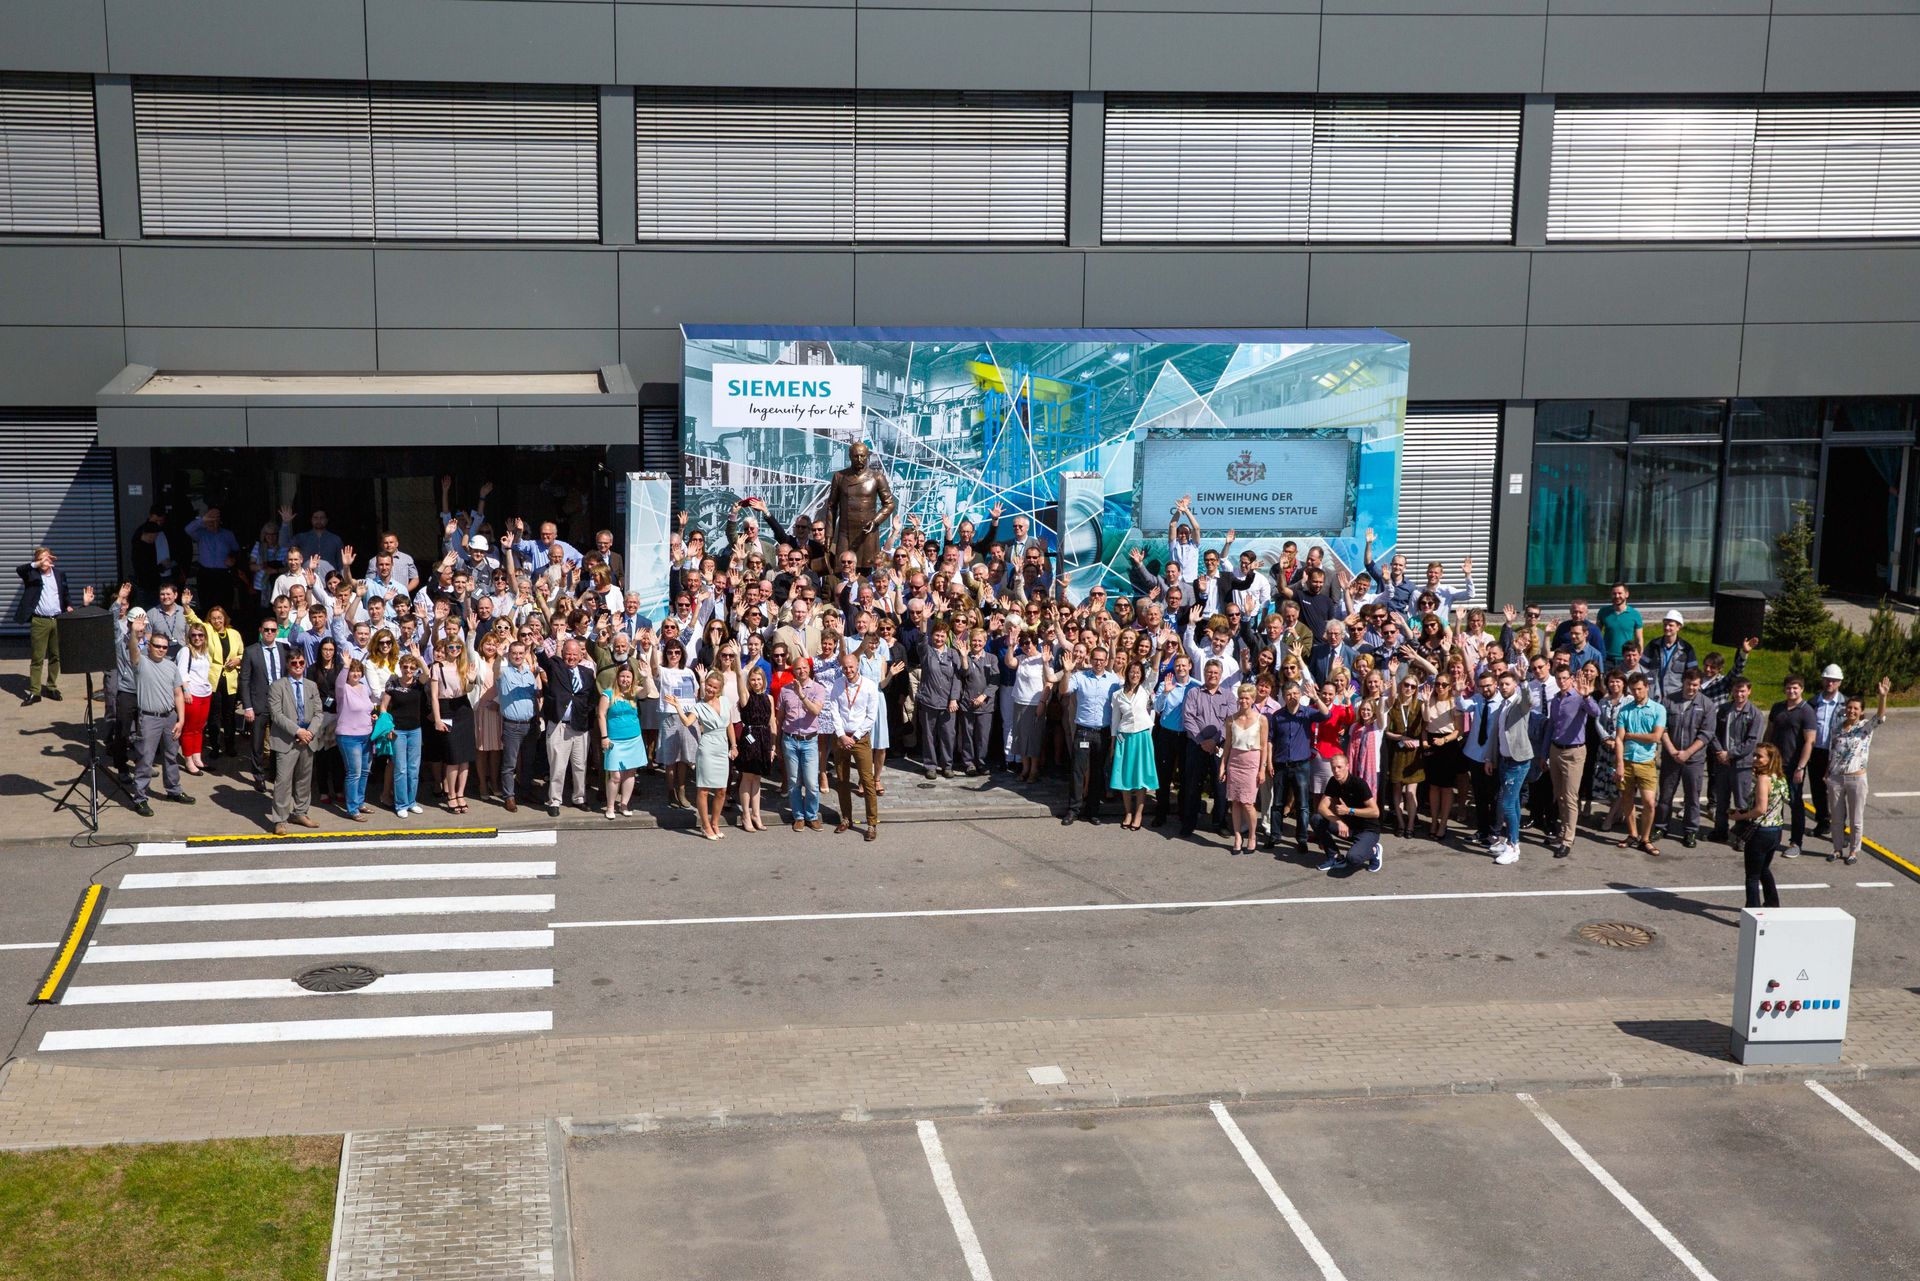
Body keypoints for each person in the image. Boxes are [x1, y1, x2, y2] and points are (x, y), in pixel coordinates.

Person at [128, 631, 195, 817]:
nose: (161, 650)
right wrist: (134, 633)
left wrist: (181, 720)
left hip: (170, 717)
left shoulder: (171, 666)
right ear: (149, 646)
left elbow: (178, 694)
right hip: (149, 718)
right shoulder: (141, 662)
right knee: (145, 758)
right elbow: (133, 650)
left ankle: (174, 790)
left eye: (164, 647)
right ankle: (140, 798)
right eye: (157, 646)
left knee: (171, 755)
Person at [1826, 678, 1891, 866]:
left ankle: (1853, 850)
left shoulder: (1865, 728)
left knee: (1856, 819)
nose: (1851, 711)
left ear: (1861, 711)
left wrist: (1882, 697)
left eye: (1856, 708)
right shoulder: (1837, 729)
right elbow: (1833, 752)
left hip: (1856, 778)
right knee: (1836, 818)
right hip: (1836, 778)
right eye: (1849, 707)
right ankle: (1837, 848)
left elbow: (1880, 716)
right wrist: (1827, 773)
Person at [1544, 668, 1603, 858]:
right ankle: (1563, 832)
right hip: (1555, 750)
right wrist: (1544, 753)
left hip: (1574, 752)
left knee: (1570, 797)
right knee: (1559, 795)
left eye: (1565, 678)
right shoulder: (1555, 700)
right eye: (1559, 678)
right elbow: (1551, 726)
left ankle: (1568, 839)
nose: (1562, 681)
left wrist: (1586, 697)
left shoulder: (1579, 697)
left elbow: (1596, 712)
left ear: (1571, 679)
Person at [668, 671, 734, 840]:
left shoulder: (725, 701)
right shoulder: (698, 706)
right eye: (709, 685)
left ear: (720, 689)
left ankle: (715, 822)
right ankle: (705, 826)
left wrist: (734, 745)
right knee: (704, 789)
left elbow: (730, 725)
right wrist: (678, 707)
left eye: (714, 687)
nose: (710, 689)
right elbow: (687, 722)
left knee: (721, 790)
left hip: (722, 748)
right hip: (707, 749)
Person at [824, 649, 881, 841]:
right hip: (841, 738)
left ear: (858, 667)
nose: (848, 670)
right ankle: (846, 818)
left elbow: (871, 716)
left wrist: (854, 737)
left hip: (860, 739)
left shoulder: (869, 686)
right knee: (841, 780)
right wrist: (841, 735)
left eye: (851, 667)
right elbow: (834, 710)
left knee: (867, 780)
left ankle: (871, 824)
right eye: (845, 667)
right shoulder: (838, 685)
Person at [1062, 645, 1121, 825]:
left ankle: (1093, 811)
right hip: (1084, 732)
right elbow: (1064, 691)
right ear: (1090, 658)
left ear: (1106, 661)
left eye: (1102, 660)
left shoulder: (1113, 680)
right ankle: (1074, 810)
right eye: (1095, 659)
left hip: (1102, 733)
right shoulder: (1080, 677)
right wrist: (1066, 672)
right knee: (1078, 771)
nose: (1098, 663)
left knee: (1097, 773)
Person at [17, 546, 83, 705]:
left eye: (47, 557)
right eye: (41, 558)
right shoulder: (32, 574)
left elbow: (65, 593)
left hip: (57, 619)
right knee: (37, 657)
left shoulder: (59, 574)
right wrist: (36, 564)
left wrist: (69, 605)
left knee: (56, 655)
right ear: (37, 561)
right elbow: (19, 570)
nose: (45, 560)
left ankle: (52, 687)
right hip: (40, 621)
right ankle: (35, 691)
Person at [540, 638, 599, 818]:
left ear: (581, 655)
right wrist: (537, 647)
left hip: (580, 726)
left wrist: (583, 713)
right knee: (557, 766)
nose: (571, 657)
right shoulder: (556, 668)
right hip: (559, 725)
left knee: (580, 765)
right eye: (568, 654)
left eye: (575, 654)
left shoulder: (587, 673)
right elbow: (543, 660)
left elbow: (592, 698)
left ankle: (579, 798)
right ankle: (555, 801)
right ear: (562, 654)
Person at [1267, 679, 1326, 856]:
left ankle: (1301, 839)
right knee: (1277, 803)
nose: (1292, 697)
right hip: (1280, 765)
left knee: (1302, 805)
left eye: (1295, 693)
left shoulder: (1307, 713)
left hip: (1301, 765)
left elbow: (1326, 715)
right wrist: (1269, 762)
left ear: (1300, 695)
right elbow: (1270, 741)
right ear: (1283, 697)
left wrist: (1316, 697)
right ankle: (1275, 835)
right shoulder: (1277, 716)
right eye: (1288, 694)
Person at [1656, 668, 1713, 849]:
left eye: (1695, 685)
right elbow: (1661, 728)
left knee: (1692, 796)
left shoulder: (1707, 704)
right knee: (1665, 794)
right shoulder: (1669, 701)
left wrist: (1687, 752)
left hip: (1694, 759)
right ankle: (1660, 826)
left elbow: (1706, 734)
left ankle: (1690, 830)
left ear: (1699, 685)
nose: (1691, 688)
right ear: (1683, 682)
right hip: (1671, 757)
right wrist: (1672, 750)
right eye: (1689, 684)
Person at [265, 650, 322, 834]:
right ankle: (280, 819)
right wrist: (298, 731)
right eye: (294, 663)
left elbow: (319, 713)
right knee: (283, 781)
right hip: (287, 739)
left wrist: (310, 732)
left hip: (308, 739)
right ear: (288, 665)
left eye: (301, 663)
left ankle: (300, 812)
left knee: (304, 779)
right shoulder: (277, 686)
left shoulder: (312, 686)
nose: (298, 666)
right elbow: (276, 715)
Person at [1730, 744, 1791, 909]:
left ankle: (1753, 913)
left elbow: (1760, 809)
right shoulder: (1779, 777)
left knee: (1752, 876)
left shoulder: (1764, 779)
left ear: (1770, 760)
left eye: (1759, 756)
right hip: (1776, 830)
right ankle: (1772, 903)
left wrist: (1740, 816)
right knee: (1764, 869)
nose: (1755, 759)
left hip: (1760, 832)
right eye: (1755, 755)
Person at [1766, 675, 1818, 857]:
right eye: (1789, 688)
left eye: (1795, 688)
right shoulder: (1777, 708)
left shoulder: (1807, 712)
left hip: (1793, 766)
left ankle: (1796, 842)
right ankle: (1773, 838)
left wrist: (1801, 767)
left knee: (1795, 804)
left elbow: (1809, 742)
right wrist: (1764, 757)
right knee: (1773, 802)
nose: (1792, 691)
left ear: (1801, 689)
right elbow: (1769, 733)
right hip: (1775, 766)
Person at [1488, 667, 1535, 866]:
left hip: (1519, 761)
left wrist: (1524, 681)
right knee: (1512, 802)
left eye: (1507, 684)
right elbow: (1496, 735)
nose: (1503, 687)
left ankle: (1514, 847)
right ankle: (1509, 840)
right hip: (1505, 760)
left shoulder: (1519, 703)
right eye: (1501, 684)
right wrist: (1489, 758)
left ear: (1514, 685)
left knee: (1507, 803)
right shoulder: (1502, 705)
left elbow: (1529, 701)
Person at [1709, 676, 1764, 844]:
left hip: (1742, 765)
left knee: (1742, 802)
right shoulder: (1724, 709)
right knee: (1721, 801)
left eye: (1742, 691)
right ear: (1732, 691)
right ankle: (1720, 831)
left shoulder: (1755, 714)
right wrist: (1719, 752)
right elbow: (1714, 733)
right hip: (1722, 763)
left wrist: (1730, 754)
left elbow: (1751, 742)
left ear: (1749, 691)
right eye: (1736, 690)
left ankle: (1742, 835)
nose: (1739, 694)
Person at [240, 617, 293, 791]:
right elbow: (245, 679)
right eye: (266, 630)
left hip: (280, 703)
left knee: (280, 740)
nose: (269, 633)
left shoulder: (284, 649)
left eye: (272, 630)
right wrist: (247, 706)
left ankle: (276, 774)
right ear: (260, 631)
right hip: (258, 703)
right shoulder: (251, 651)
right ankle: (258, 775)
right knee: (257, 742)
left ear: (277, 632)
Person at [778, 656, 828, 831]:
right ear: (793, 670)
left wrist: (801, 695)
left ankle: (812, 815)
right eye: (798, 669)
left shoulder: (818, 689)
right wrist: (777, 742)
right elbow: (780, 717)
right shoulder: (785, 690)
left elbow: (815, 710)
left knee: (812, 783)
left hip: (809, 741)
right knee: (794, 781)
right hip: (790, 740)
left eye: (804, 668)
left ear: (809, 669)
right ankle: (798, 816)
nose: (802, 671)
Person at [1108, 659, 1158, 830]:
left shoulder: (1145, 689)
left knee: (1141, 776)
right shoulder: (1117, 695)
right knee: (1125, 776)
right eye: (1132, 672)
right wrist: (1113, 743)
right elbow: (1115, 720)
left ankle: (1138, 813)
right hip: (1124, 737)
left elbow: (1155, 672)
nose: (1135, 675)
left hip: (1142, 736)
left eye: (1138, 672)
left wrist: (1159, 647)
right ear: (1127, 673)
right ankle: (1128, 812)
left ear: (1141, 675)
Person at [1220, 682, 1270, 855]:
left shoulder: (1261, 719)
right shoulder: (1231, 719)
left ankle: (1252, 836)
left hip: (1252, 762)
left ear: (1253, 699)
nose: (1243, 701)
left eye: (1247, 698)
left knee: (1248, 803)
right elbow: (1227, 745)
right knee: (1235, 801)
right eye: (1241, 697)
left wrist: (1262, 769)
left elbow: (1264, 746)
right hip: (1234, 761)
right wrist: (1222, 766)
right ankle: (1237, 836)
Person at [1312, 751, 1382, 873]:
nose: (1336, 771)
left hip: (1368, 830)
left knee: (1353, 859)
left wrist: (1349, 810)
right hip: (1348, 828)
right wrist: (1339, 821)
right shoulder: (1333, 781)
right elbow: (1322, 807)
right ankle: (1335, 857)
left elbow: (1375, 812)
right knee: (1316, 819)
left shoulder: (1359, 784)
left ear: (1347, 766)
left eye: (1339, 767)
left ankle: (1374, 851)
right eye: (1333, 767)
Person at [379, 654, 431, 817]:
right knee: (400, 768)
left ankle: (411, 802)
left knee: (414, 768)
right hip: (398, 731)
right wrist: (388, 727)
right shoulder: (393, 683)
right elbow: (383, 707)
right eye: (405, 667)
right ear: (400, 667)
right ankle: (400, 803)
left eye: (412, 667)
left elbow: (427, 674)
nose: (408, 670)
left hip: (415, 730)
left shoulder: (418, 684)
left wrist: (418, 658)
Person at [429, 639, 476, 814]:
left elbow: (469, 689)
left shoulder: (464, 665)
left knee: (465, 757)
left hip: (463, 708)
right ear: (446, 648)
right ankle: (451, 795)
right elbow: (434, 696)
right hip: (446, 709)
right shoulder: (437, 667)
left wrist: (471, 680)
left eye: (458, 647)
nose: (455, 650)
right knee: (452, 756)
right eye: (451, 647)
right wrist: (437, 719)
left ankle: (461, 794)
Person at [496, 640, 542, 814]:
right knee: (510, 764)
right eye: (514, 653)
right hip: (512, 726)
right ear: (509, 654)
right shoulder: (504, 672)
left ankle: (526, 792)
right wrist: (499, 658)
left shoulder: (529, 673)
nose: (517, 656)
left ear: (524, 654)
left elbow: (534, 698)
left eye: (520, 653)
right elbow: (495, 672)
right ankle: (509, 796)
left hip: (529, 724)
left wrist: (537, 720)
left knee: (528, 762)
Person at [915, 621, 964, 779]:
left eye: (943, 635)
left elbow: (957, 677)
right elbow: (921, 639)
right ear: (932, 635)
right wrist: (924, 620)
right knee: (929, 735)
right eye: (937, 635)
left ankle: (947, 765)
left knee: (948, 735)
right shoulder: (926, 651)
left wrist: (954, 698)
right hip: (929, 700)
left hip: (948, 702)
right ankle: (930, 765)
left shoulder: (952, 653)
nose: (939, 638)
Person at [599, 665, 648, 820]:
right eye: (622, 676)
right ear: (617, 677)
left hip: (634, 739)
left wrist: (647, 677)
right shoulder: (608, 694)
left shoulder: (634, 692)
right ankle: (610, 806)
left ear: (632, 678)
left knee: (630, 774)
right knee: (615, 775)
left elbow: (649, 692)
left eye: (628, 677)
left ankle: (624, 804)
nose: (625, 679)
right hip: (614, 741)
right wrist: (604, 737)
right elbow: (601, 715)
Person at [1807, 663, 1848, 842]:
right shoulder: (1813, 703)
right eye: (1827, 679)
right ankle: (1822, 821)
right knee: (1817, 789)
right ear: (1823, 680)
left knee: (1837, 790)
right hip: (1816, 752)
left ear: (1839, 682)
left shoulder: (1846, 705)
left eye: (1834, 680)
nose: (1830, 683)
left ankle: (1841, 825)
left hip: (1836, 754)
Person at [734, 663, 776, 830]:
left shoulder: (769, 698)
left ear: (763, 680)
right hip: (750, 736)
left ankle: (756, 814)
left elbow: (772, 722)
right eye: (753, 679)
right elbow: (738, 676)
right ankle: (745, 814)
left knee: (757, 778)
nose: (756, 682)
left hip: (764, 738)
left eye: (759, 679)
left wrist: (773, 746)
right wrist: (737, 657)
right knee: (747, 777)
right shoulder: (746, 696)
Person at [335, 659, 375, 820]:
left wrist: (372, 715)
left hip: (366, 735)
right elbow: (338, 682)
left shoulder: (364, 688)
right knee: (354, 773)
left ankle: (360, 802)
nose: (356, 673)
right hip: (348, 736)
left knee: (365, 771)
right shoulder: (343, 689)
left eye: (358, 670)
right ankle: (352, 809)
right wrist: (345, 665)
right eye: (352, 670)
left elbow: (367, 707)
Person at [175, 622, 215, 776]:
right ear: (189, 636)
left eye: (200, 635)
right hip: (192, 694)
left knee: (199, 728)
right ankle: (188, 760)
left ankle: (197, 758)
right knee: (189, 729)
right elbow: (181, 673)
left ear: (205, 637)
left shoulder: (204, 652)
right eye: (194, 635)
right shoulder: (186, 651)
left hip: (205, 693)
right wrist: (186, 691)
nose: (197, 638)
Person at [1593, 582, 1644, 665]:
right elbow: (1596, 634)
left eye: (1620, 593)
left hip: (1626, 658)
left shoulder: (1635, 614)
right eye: (1614, 593)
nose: (1617, 596)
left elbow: (1639, 639)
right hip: (1607, 658)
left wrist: (1638, 656)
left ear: (1626, 594)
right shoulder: (1603, 612)